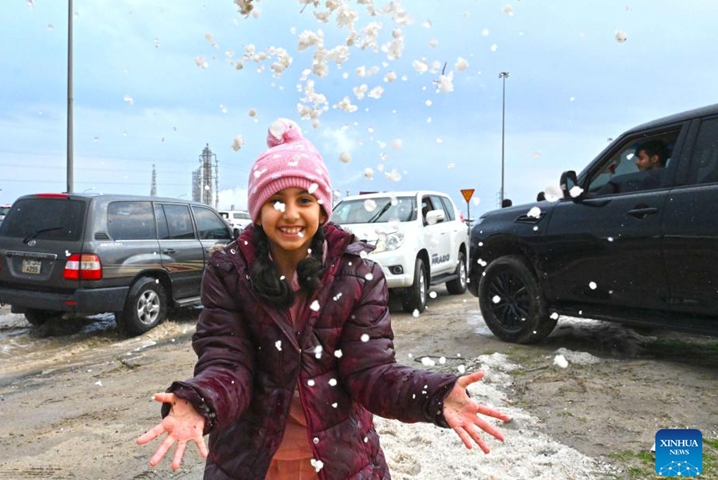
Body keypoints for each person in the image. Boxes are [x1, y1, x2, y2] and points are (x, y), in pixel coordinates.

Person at [136, 118, 510, 479]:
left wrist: (433, 395)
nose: (292, 214)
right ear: (258, 208)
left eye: (304, 199)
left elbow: (371, 373)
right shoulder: (229, 273)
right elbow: (228, 362)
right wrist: (202, 400)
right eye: (277, 200)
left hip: (339, 460)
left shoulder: (360, 276)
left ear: (322, 208)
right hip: (252, 460)